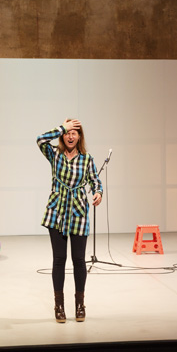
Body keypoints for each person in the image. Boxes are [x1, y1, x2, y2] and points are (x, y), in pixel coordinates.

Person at [37, 119, 103, 323]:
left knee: (79, 260)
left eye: (74, 133)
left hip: (78, 212)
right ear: (62, 135)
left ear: (80, 136)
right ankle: (59, 306)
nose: (70, 136)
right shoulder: (54, 154)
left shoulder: (86, 159)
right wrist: (61, 127)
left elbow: (95, 181)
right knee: (59, 259)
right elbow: (40, 140)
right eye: (67, 133)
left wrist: (98, 192)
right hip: (57, 211)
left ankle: (80, 304)